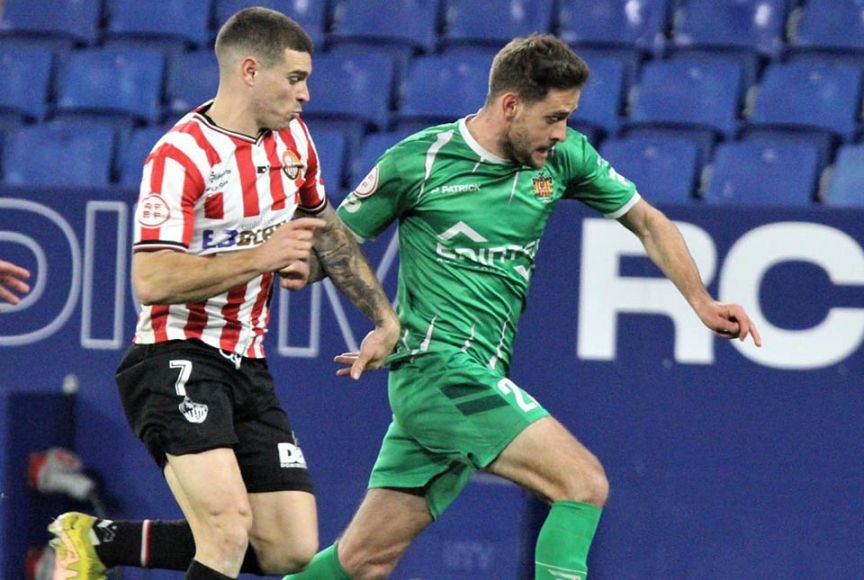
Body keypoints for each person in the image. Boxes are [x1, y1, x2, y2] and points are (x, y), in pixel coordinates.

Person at [284, 34, 763, 580]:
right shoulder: (419, 162)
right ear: (511, 104)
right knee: (582, 483)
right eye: (554, 117)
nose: (562, 132)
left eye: (569, 118)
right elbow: (337, 243)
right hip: (437, 371)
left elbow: (648, 221)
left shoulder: (563, 158)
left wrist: (700, 301)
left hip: (473, 380)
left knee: (364, 562)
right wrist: (301, 263)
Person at [47, 7, 399, 580]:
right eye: (296, 79)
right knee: (228, 529)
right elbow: (151, 280)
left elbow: (327, 231)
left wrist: (383, 318)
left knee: (287, 548)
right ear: (251, 71)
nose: (307, 94)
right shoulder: (181, 155)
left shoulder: (293, 142)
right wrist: (263, 254)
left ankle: (101, 538)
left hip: (246, 362)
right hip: (173, 355)